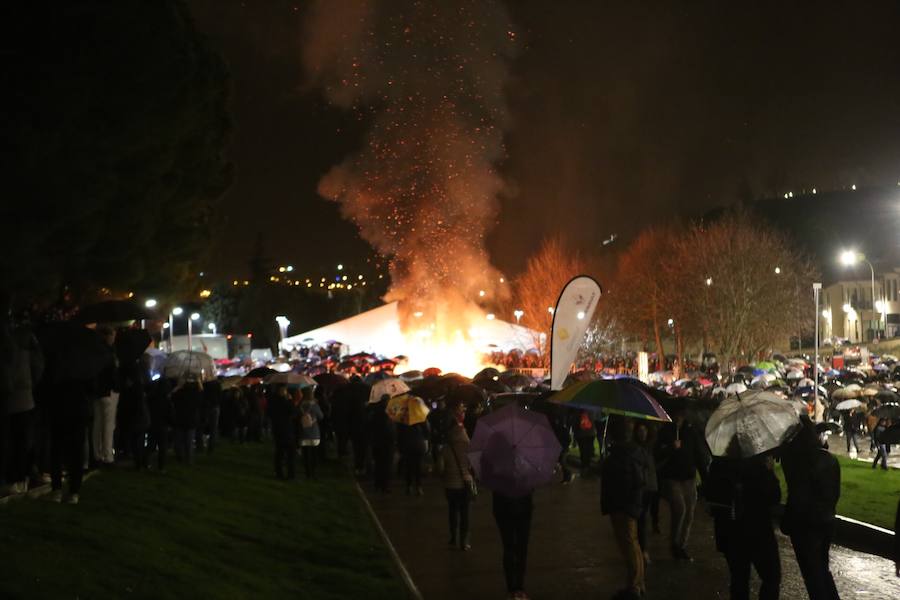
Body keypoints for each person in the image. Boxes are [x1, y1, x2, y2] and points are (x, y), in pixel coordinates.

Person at [705, 450, 781, 600]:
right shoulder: (759, 464)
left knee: (739, 580)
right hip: (757, 531)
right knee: (771, 577)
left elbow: (711, 494)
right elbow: (773, 496)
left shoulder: (719, 463)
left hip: (730, 531)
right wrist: (770, 472)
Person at [781, 419, 841, 600]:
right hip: (826, 521)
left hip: (805, 525)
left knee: (812, 574)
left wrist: (788, 522)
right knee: (822, 569)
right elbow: (834, 493)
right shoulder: (829, 458)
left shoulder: (799, 463)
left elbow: (797, 496)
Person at [601, 417, 647, 600]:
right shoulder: (630, 452)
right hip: (626, 504)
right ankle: (637, 583)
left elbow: (629, 481)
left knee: (629, 545)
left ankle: (634, 586)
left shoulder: (622, 455)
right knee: (632, 544)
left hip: (622, 505)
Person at [655, 408, 709, 560]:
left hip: (689, 478)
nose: (678, 417)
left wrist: (704, 477)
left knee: (689, 513)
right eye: (675, 414)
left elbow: (698, 454)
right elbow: (657, 454)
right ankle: (674, 542)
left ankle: (682, 544)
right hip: (672, 478)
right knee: (680, 509)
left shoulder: (691, 432)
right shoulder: (665, 432)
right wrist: (672, 448)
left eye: (681, 414)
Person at [487, 443, 534, 600]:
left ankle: (511, 589)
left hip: (503, 508)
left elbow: (490, 482)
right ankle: (519, 588)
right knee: (521, 547)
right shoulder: (526, 460)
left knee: (508, 547)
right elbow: (531, 485)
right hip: (522, 507)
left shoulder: (495, 460)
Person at [442, 404, 473, 550]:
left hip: (450, 484)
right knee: (465, 513)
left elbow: (441, 467)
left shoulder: (447, 446)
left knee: (452, 511)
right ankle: (464, 541)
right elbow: (471, 463)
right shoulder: (467, 444)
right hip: (465, 482)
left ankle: (453, 537)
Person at [91, 326, 118, 466]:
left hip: (97, 392)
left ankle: (97, 454)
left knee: (97, 424)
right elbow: (112, 374)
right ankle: (108, 456)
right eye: (113, 335)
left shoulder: (94, 351)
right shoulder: (109, 353)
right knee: (108, 425)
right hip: (108, 391)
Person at [633, 421, 658, 564]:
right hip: (639, 488)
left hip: (649, 487)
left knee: (643, 518)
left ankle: (643, 549)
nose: (642, 433)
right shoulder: (634, 448)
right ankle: (641, 549)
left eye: (644, 430)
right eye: (640, 430)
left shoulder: (651, 447)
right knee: (640, 519)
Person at [267, 384, 297, 480]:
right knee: (290, 453)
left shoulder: (272, 401)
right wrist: (290, 401)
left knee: (279, 452)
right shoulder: (284, 401)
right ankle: (290, 474)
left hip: (277, 429)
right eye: (284, 390)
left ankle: (279, 473)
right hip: (286, 429)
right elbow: (292, 412)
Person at [172, 375, 203, 465]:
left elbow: (171, 396)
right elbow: (201, 393)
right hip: (191, 420)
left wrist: (178, 386)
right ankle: (189, 460)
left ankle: (179, 457)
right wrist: (199, 382)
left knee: (178, 440)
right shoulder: (196, 395)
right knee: (189, 441)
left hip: (180, 419)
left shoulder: (179, 393)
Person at [369, 394, 395, 492]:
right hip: (387, 443)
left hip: (377, 442)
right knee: (386, 465)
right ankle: (385, 485)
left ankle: (377, 484)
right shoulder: (388, 412)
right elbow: (390, 429)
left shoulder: (375, 411)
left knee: (378, 464)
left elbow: (370, 425)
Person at [399, 412, 428, 495]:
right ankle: (418, 487)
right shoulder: (421, 418)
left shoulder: (403, 419)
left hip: (407, 445)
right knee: (418, 467)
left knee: (409, 467)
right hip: (418, 445)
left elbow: (400, 433)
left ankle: (409, 486)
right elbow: (426, 432)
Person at [298, 387, 325, 479]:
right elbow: (321, 416)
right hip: (314, 432)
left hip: (303, 432)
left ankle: (307, 472)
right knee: (314, 454)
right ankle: (313, 473)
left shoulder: (300, 405)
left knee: (306, 454)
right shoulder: (314, 405)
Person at [573, 410, 597, 477]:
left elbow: (574, 424)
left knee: (583, 451)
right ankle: (587, 467)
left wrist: (575, 436)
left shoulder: (577, 412)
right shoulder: (592, 411)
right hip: (590, 434)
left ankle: (584, 468)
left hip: (581, 434)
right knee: (588, 451)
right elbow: (595, 421)